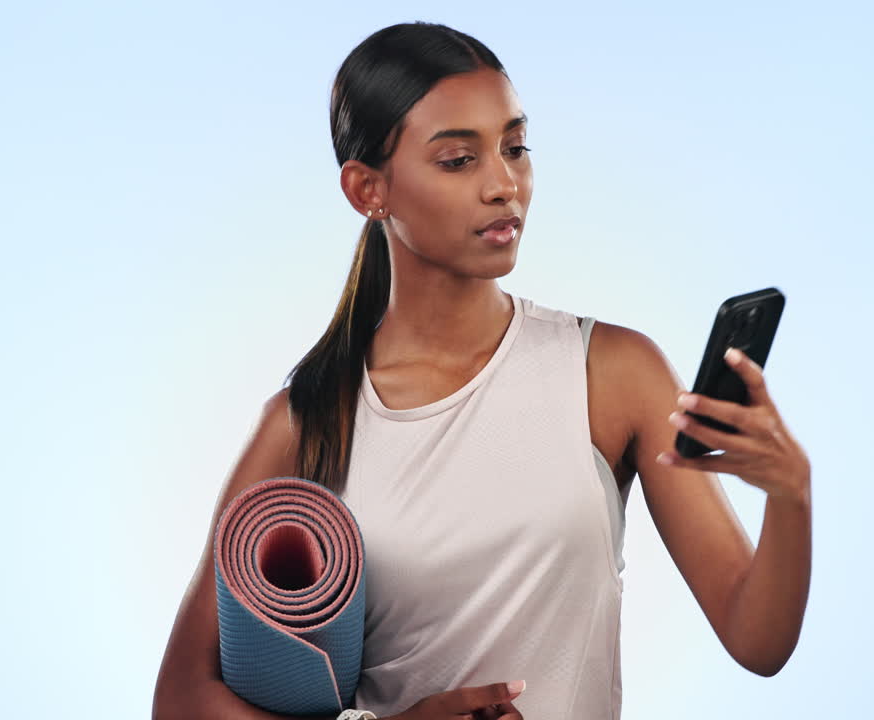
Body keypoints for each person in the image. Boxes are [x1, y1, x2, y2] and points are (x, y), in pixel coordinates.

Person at [153, 21, 813, 720]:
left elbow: (757, 639)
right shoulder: (308, 419)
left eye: (516, 148)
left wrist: (790, 494)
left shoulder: (614, 374)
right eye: (458, 160)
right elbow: (180, 698)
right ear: (367, 189)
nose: (505, 185)